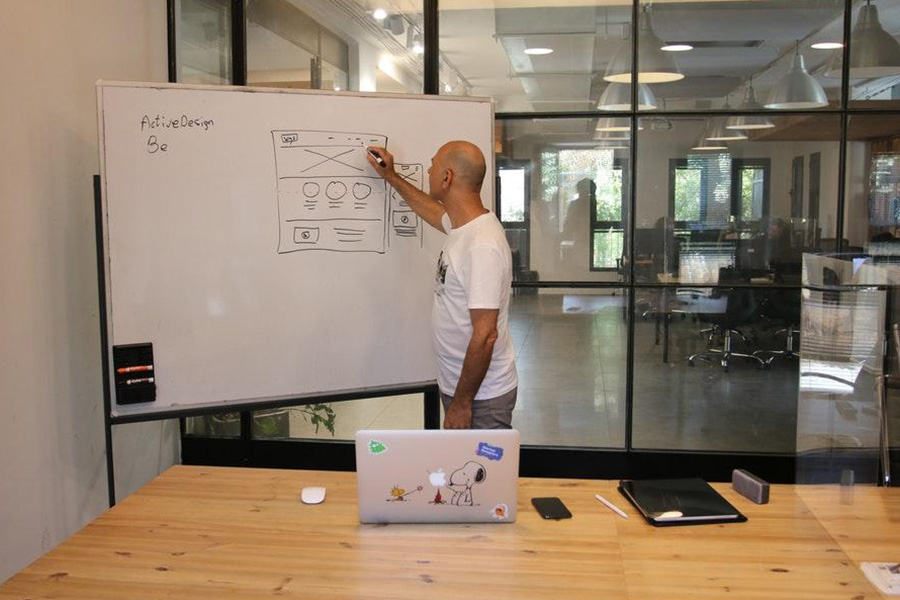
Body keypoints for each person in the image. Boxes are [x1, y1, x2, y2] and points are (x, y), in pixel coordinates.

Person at [366, 142, 518, 430]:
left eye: (433, 166)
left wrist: (462, 404)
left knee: (482, 472)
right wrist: (391, 177)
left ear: (447, 177)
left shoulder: (482, 244)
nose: (428, 171)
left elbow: (486, 335)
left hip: (481, 398)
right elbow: (433, 212)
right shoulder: (464, 226)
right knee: (465, 471)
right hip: (463, 388)